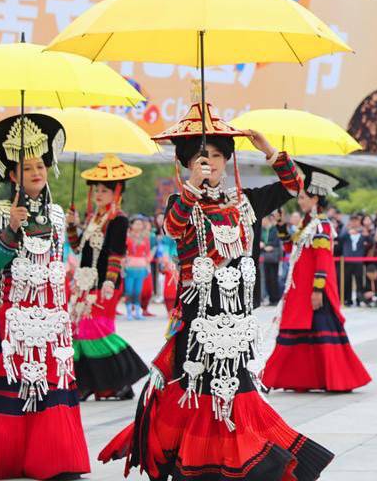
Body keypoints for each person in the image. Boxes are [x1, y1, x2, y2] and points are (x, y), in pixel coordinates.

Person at [99, 100, 333, 480]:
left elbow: (296, 185)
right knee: (198, 388)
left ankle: (238, 455)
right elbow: (172, 228)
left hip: (237, 318)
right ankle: (205, 459)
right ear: (187, 164)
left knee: (236, 387)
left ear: (227, 161)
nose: (208, 163)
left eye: (215, 156)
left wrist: (269, 150)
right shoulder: (182, 202)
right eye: (200, 157)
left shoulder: (245, 202)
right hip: (197, 317)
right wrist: (193, 186)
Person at [0, 113, 91, 478]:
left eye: (40, 165)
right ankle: (8, 456)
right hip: (14, 314)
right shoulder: (1, 212)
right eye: (27, 168)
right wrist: (11, 229)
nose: (37, 172)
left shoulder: (57, 214)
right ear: (13, 176)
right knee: (9, 376)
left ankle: (55, 457)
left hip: (50, 313)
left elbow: (60, 260)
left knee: (52, 376)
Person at [263, 162, 371, 393]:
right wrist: (281, 226)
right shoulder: (308, 224)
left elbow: (322, 259)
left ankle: (337, 379)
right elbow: (292, 249)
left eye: (303, 197)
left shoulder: (321, 225)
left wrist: (317, 290)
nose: (299, 200)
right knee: (302, 334)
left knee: (318, 333)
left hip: (312, 291)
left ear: (315, 199)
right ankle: (298, 378)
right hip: (301, 290)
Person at [66, 154, 149, 401]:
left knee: (96, 331)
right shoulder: (94, 218)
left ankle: (124, 375)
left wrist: (110, 281)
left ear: (116, 191)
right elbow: (78, 248)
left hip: (104, 283)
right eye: (97, 190)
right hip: (85, 281)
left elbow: (116, 252)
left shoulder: (119, 218)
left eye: (104, 190)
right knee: (79, 332)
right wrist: (72, 225)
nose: (99, 194)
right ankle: (91, 384)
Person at [123, 216, 153, 320]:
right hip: (130, 266)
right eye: (136, 223)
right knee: (129, 290)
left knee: (138, 290)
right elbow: (123, 251)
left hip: (141, 266)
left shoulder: (145, 238)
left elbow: (148, 252)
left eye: (140, 224)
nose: (138, 226)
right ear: (131, 225)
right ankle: (128, 312)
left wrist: (147, 263)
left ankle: (137, 312)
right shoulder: (127, 237)